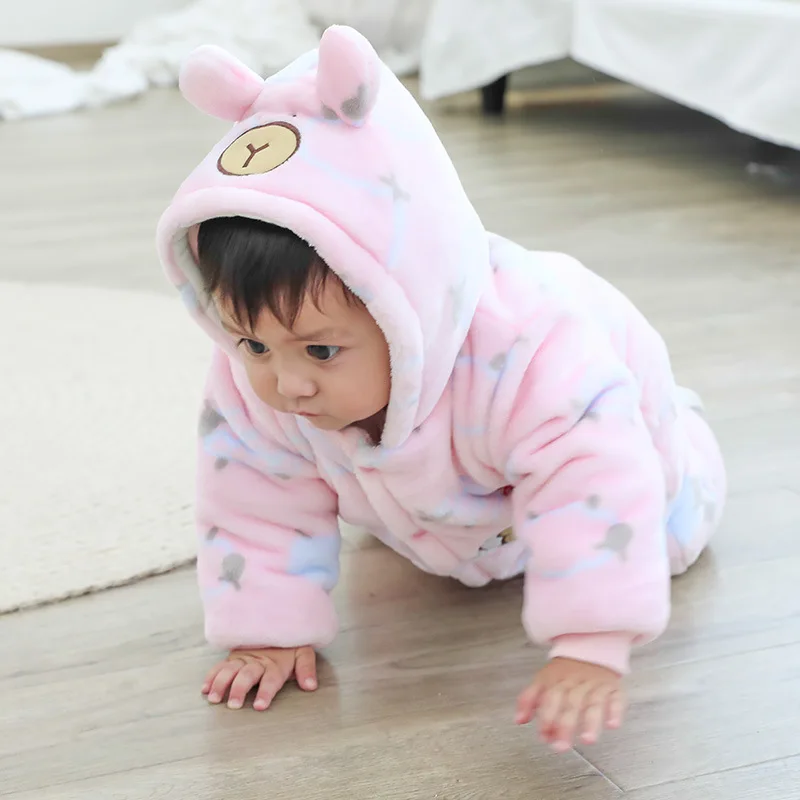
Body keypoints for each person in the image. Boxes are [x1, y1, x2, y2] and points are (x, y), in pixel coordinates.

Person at [156, 25, 726, 752]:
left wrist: (591, 641)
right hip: (460, 505)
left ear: (405, 307)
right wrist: (267, 628)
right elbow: (252, 497)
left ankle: (684, 428)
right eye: (253, 343)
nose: (285, 381)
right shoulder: (259, 374)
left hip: (615, 432)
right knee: (388, 513)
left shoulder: (530, 354)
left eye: (321, 349)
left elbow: (594, 480)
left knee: (665, 523)